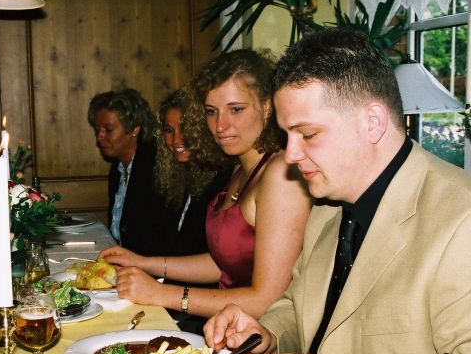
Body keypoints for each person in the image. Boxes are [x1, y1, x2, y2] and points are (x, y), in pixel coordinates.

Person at [209, 23, 471, 354]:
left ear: (373, 122)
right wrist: (265, 335)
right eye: (287, 136)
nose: (291, 155)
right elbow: (297, 306)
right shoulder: (327, 202)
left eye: (308, 134)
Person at [99, 50, 312, 319]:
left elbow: (266, 300)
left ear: (267, 107)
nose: (220, 125)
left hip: (262, 333)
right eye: (212, 112)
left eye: (236, 109)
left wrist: (161, 293)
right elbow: (223, 262)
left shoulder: (280, 175)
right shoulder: (239, 168)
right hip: (226, 325)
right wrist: (142, 262)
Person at [88, 88, 171, 257]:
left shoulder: (156, 168)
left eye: (108, 130)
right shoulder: (117, 168)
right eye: (97, 130)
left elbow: (158, 238)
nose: (99, 137)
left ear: (134, 129)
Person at [154, 89, 232, 257]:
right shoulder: (176, 176)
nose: (176, 140)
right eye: (169, 130)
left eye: (184, 129)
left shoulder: (223, 179)